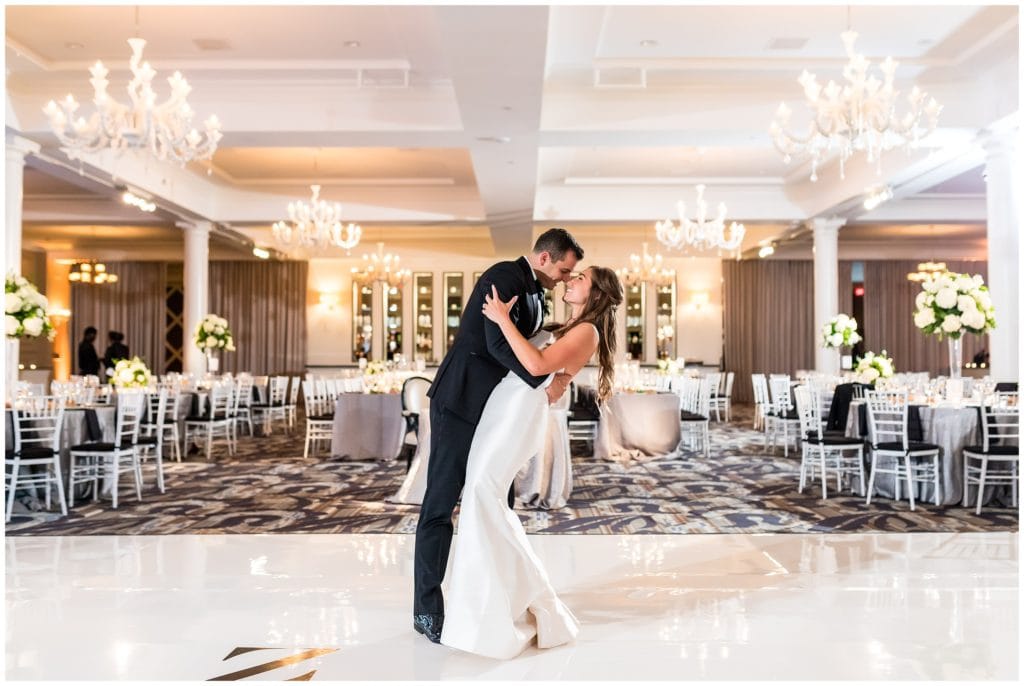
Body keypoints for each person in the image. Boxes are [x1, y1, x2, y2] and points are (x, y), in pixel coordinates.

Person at [440, 266, 623, 659]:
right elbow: (550, 372)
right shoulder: (572, 326)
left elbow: (538, 367)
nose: (570, 279)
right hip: (505, 407)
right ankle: (503, 598)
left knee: (481, 494)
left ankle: (500, 607)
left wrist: (503, 320)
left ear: (596, 294)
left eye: (580, 278)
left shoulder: (586, 331)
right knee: (482, 497)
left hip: (516, 414)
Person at [413, 228, 583, 645]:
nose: (564, 278)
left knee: (493, 501)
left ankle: (493, 601)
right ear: (544, 258)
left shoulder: (534, 291)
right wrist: (543, 380)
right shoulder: (504, 276)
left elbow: (524, 339)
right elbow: (495, 345)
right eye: (563, 269)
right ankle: (426, 610)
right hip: (460, 401)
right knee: (442, 500)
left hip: (492, 410)